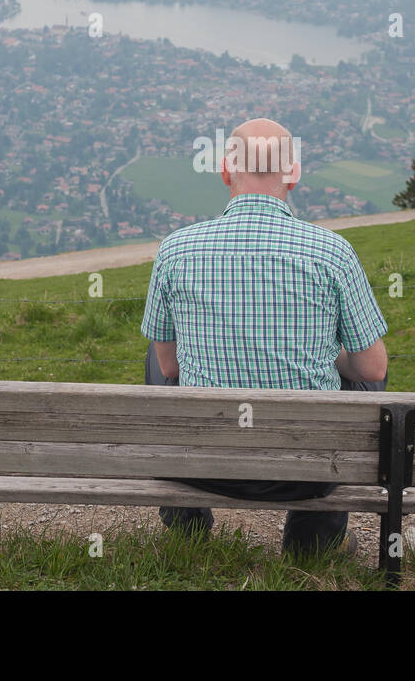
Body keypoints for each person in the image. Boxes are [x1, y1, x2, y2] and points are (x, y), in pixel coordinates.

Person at [140, 117, 389, 554]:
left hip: (205, 464)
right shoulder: (332, 251)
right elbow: (372, 367)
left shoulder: (175, 249)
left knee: (156, 355)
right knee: (365, 375)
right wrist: (327, 359)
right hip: (305, 470)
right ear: (293, 174)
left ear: (225, 172)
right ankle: (314, 538)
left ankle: (187, 523)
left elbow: (168, 367)